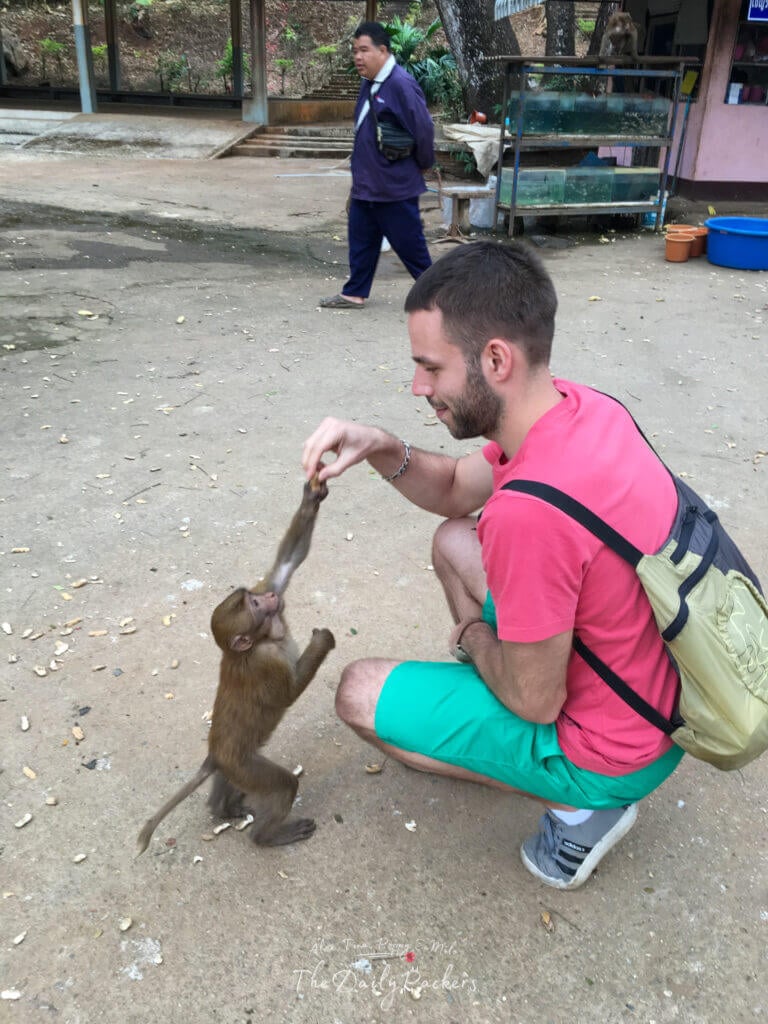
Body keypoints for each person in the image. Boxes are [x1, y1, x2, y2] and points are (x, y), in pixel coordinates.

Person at [303, 241, 685, 890]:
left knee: (358, 693)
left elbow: (538, 703)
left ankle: (582, 810)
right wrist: (382, 446)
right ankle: (501, 683)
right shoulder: (583, 408)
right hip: (653, 689)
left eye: (430, 368)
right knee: (455, 540)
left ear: (496, 359)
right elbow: (454, 487)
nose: (419, 388)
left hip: (609, 746)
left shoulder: (529, 515)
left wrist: (475, 639)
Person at [319, 21, 435, 310]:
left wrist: (424, 165)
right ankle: (354, 292)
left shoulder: (400, 84)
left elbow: (423, 129)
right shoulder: (369, 82)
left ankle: (439, 296)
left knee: (411, 246)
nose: (358, 57)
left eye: (364, 50)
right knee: (361, 239)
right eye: (354, 51)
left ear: (383, 51)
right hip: (367, 184)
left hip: (393, 185)